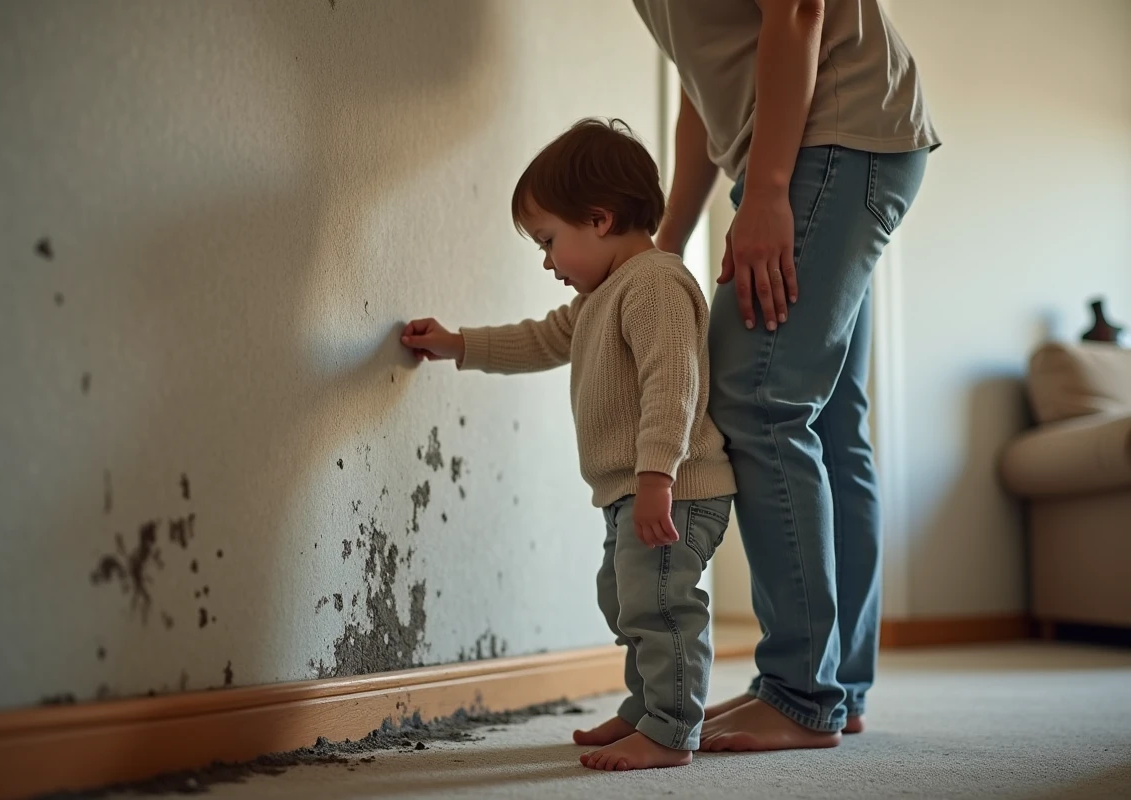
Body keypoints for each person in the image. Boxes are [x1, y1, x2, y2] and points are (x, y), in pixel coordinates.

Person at [630, 0, 940, 751]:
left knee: (760, 398)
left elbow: (799, 9)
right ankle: (835, 684)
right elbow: (704, 89)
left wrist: (768, 189)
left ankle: (801, 692)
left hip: (828, 134)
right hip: (837, 137)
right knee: (830, 421)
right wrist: (669, 241)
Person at [400, 119, 737, 771]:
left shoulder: (655, 283)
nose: (547, 261)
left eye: (549, 241)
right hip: (633, 491)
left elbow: (673, 384)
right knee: (625, 599)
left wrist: (657, 477)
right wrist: (458, 344)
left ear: (600, 219)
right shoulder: (600, 298)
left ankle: (671, 731)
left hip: (674, 490)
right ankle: (645, 708)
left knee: (659, 605)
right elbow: (538, 340)